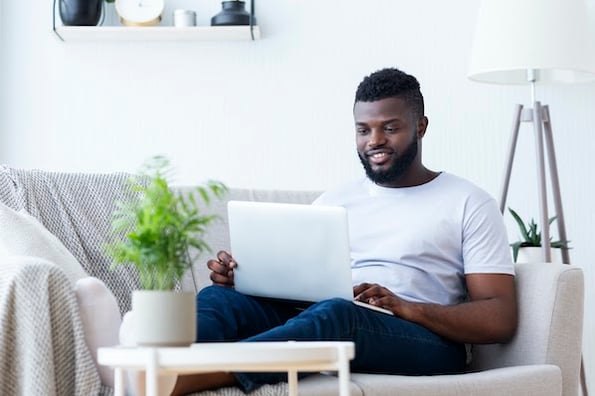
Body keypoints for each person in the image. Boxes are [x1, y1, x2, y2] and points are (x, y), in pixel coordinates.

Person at [171, 67, 518, 395]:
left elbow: (499, 316)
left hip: (426, 341)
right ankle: (165, 364)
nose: (375, 140)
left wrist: (409, 308)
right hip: (332, 317)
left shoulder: (468, 201)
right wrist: (247, 279)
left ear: (421, 126)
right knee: (221, 299)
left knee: (338, 314)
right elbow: (298, 287)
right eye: (364, 129)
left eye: (390, 128)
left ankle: (196, 376)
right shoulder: (335, 201)